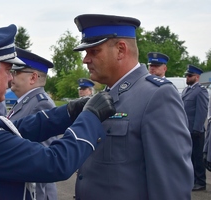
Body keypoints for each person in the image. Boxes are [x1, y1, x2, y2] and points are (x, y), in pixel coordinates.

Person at [0, 24, 116, 200]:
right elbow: (54, 163)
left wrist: (68, 112)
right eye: (8, 70)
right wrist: (90, 117)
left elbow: (14, 130)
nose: (11, 78)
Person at [72, 14, 193, 200]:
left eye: (94, 51)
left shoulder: (157, 95)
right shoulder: (106, 95)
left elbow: (170, 186)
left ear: (121, 50)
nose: (85, 60)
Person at [6, 47, 59, 200]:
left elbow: (44, 158)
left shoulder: (41, 104)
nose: (11, 77)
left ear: (33, 77)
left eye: (16, 72)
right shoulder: (24, 102)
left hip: (36, 193)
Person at [181, 64, 208, 191]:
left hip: (195, 130)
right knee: (189, 157)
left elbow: (201, 111)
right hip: (186, 129)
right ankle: (192, 180)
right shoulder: (187, 90)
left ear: (196, 77)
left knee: (197, 157)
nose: (187, 77)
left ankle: (201, 181)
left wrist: (197, 128)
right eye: (187, 75)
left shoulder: (201, 91)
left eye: (189, 75)